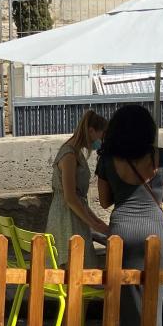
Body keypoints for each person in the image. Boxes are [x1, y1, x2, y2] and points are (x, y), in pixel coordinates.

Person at [96, 105, 163, 326]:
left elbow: (105, 201)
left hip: (122, 228)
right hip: (154, 228)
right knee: (154, 297)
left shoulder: (106, 159)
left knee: (119, 296)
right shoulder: (160, 156)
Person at [47, 110, 109, 268]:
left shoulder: (75, 152)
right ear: (91, 131)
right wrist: (93, 224)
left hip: (73, 214)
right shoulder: (69, 155)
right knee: (75, 267)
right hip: (67, 218)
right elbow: (70, 197)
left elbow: (78, 198)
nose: (100, 141)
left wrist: (97, 221)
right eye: (100, 137)